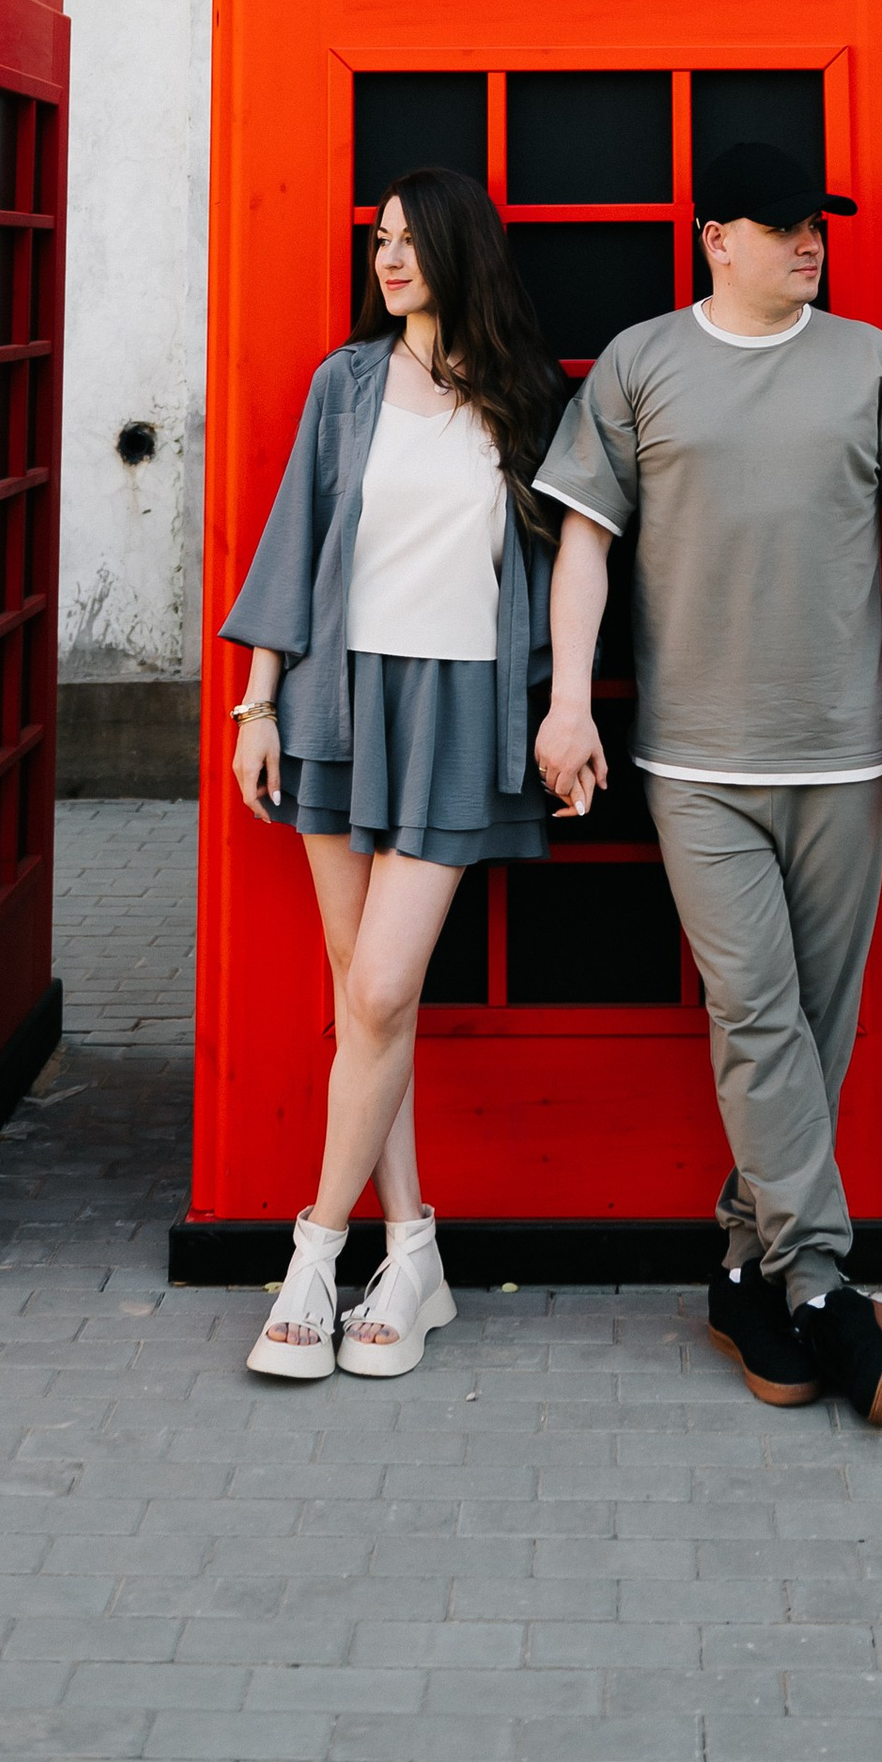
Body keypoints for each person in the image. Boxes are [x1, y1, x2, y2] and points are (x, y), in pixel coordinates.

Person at [532, 140, 882, 1429]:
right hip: (695, 760)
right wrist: (568, 700)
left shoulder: (872, 363)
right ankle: (824, 1280)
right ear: (713, 238)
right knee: (753, 1015)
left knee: (815, 1028)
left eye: (817, 223)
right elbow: (584, 543)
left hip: (846, 751)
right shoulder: (639, 363)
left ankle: (743, 1268)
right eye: (781, 224)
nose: (808, 241)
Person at [220, 165, 565, 1383]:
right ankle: (410, 1248)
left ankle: (315, 1255)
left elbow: (572, 562)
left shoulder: (526, 396)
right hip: (339, 699)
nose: (390, 258)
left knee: (374, 991)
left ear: (463, 249)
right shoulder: (348, 380)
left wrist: (563, 705)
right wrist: (257, 701)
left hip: (459, 708)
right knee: (370, 1000)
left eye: (412, 239)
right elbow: (294, 536)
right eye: (379, 239)